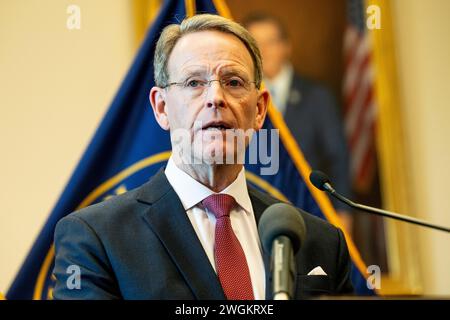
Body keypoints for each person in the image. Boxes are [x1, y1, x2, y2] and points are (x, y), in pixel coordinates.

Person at [52, 14, 353, 300]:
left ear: (260, 109)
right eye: (194, 83)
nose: (215, 98)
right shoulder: (96, 238)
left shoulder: (321, 241)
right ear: (161, 107)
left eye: (233, 82)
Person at [244, 14, 353, 233]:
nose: (263, 50)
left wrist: (343, 212)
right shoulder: (240, 100)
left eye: (270, 42)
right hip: (257, 218)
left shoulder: (317, 96)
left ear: (286, 47)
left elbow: (337, 158)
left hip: (313, 213)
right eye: (255, 44)